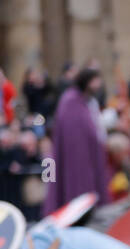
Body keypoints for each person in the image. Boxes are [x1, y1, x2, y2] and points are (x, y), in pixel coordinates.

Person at [41, 67, 111, 214]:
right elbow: (73, 134)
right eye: (96, 80)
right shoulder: (70, 100)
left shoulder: (87, 101)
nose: (99, 85)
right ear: (88, 81)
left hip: (88, 157)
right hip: (76, 159)